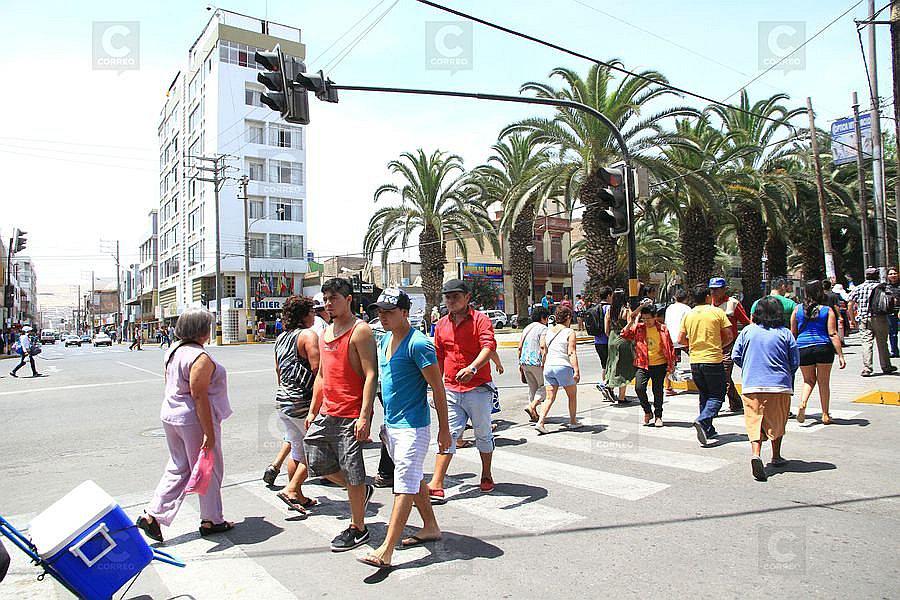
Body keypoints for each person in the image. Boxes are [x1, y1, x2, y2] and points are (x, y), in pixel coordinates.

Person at [357, 289, 451, 569]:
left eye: (389, 311)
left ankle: (386, 549)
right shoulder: (384, 340)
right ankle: (431, 526)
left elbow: (438, 388)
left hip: (413, 427)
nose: (382, 317)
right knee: (412, 480)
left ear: (405, 312)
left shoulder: (419, 344)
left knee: (403, 485)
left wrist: (444, 431)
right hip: (393, 426)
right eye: (380, 312)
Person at [136, 309, 234, 542]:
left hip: (171, 414)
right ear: (202, 330)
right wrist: (208, 433)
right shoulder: (199, 357)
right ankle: (212, 519)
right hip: (193, 419)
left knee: (180, 467)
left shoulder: (174, 351)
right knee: (207, 468)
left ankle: (154, 515)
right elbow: (198, 395)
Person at [304, 278, 378, 552]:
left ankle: (358, 527)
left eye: (334, 298)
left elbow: (371, 374)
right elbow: (322, 375)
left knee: (354, 471)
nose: (328, 303)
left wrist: (365, 415)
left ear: (348, 300)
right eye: (326, 299)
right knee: (316, 462)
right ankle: (360, 491)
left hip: (350, 413)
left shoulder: (361, 331)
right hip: (327, 411)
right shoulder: (324, 333)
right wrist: (313, 410)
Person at [427, 279, 497, 503]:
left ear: (467, 298)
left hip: (478, 388)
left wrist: (473, 367)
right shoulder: (441, 325)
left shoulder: (481, 320)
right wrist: (434, 383)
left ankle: (486, 473)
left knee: (483, 434)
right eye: (447, 297)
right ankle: (437, 483)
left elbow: (488, 346)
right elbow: (438, 356)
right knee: (449, 433)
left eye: (455, 296)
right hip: (450, 388)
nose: (450, 300)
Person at [731, 297, 800, 481]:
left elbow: (735, 355)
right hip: (779, 386)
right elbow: (794, 361)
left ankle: (756, 454)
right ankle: (776, 456)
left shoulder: (747, 331)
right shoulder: (785, 333)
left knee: (754, 421)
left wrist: (749, 367)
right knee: (778, 421)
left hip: (752, 385)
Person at [272, 296, 320, 512]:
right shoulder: (308, 335)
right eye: (311, 312)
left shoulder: (281, 338)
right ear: (303, 315)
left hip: (284, 400)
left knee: (297, 450)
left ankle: (297, 495)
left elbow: (278, 371)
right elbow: (319, 371)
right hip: (303, 402)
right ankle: (292, 489)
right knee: (317, 451)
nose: (314, 316)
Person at [679, 285, 733, 446]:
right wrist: (720, 346)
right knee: (718, 395)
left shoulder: (688, 315)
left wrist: (693, 346)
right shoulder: (717, 312)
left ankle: (708, 429)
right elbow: (729, 335)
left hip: (695, 360)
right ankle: (702, 420)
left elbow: (681, 339)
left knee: (704, 394)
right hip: (713, 359)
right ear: (708, 297)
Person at [791, 280, 846, 425]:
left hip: (802, 347)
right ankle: (825, 414)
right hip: (823, 347)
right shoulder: (826, 310)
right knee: (823, 382)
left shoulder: (797, 310)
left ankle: (803, 403)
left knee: (808, 380)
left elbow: (793, 333)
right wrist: (840, 355)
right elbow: (833, 333)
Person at [622, 304, 676, 427]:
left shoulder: (663, 329)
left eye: (648, 318)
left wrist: (671, 363)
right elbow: (624, 334)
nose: (646, 321)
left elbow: (670, 347)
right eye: (644, 318)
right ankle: (647, 411)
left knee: (657, 391)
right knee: (639, 388)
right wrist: (631, 321)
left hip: (659, 364)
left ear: (655, 317)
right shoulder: (639, 328)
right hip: (642, 364)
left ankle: (658, 416)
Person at [535, 305, 580, 434]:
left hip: (549, 367)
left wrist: (544, 365)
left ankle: (541, 422)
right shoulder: (569, 332)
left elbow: (543, 349)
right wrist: (576, 370)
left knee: (549, 397)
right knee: (572, 395)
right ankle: (573, 421)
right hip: (563, 366)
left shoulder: (548, 331)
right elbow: (571, 352)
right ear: (567, 317)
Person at [710, 278, 751, 413]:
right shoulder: (708, 305)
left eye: (717, 289)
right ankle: (736, 402)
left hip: (729, 345)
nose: (714, 292)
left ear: (724, 289)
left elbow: (746, 323)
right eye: (712, 289)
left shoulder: (733, 304)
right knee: (721, 375)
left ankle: (713, 407)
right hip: (713, 345)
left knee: (723, 375)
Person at [848, 267, 896, 377]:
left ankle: (867, 368)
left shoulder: (859, 288)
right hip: (880, 318)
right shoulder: (883, 287)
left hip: (864, 319)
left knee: (866, 343)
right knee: (882, 342)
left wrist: (852, 319)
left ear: (866, 276)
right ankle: (886, 366)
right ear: (877, 276)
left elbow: (850, 304)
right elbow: (892, 300)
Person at [604, 289, 635, 404]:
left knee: (611, 364)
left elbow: (606, 330)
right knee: (624, 367)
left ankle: (609, 385)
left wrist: (611, 336)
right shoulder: (626, 310)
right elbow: (631, 325)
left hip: (611, 338)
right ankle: (622, 397)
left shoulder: (609, 311)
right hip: (622, 339)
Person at [520, 306, 549, 422]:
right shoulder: (543, 329)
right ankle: (532, 406)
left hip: (524, 361)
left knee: (532, 388)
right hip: (536, 362)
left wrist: (520, 364)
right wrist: (545, 361)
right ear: (543, 318)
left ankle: (534, 414)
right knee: (546, 387)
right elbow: (542, 346)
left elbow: (520, 347)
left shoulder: (527, 328)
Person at [664, 289, 692, 396]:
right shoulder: (687, 309)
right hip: (684, 338)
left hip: (670, 339)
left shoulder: (669, 308)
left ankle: (668, 387)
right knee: (694, 358)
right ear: (686, 298)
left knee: (669, 363)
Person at [591, 287, 614, 397]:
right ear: (609, 295)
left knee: (604, 366)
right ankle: (606, 386)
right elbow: (608, 326)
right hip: (607, 341)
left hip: (597, 341)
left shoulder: (596, 308)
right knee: (610, 366)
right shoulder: (609, 308)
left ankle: (606, 390)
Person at [886, 267, 900, 357]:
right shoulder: (885, 287)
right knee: (893, 333)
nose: (893, 275)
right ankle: (894, 351)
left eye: (895, 273)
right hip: (891, 313)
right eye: (891, 274)